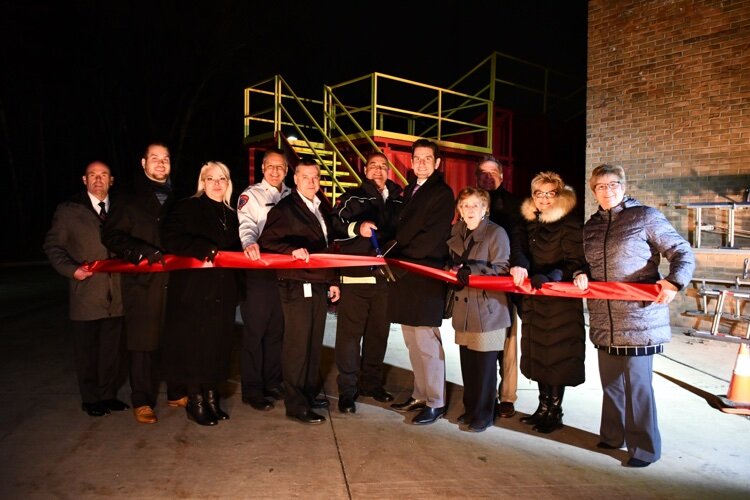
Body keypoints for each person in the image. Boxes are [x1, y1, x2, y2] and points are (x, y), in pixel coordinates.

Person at [573, 164, 695, 467]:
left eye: (613, 184)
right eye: (600, 186)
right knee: (611, 383)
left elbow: (681, 251)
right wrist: (579, 273)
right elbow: (582, 262)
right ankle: (613, 436)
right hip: (604, 318)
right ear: (593, 191)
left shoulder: (645, 217)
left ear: (623, 186)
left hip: (639, 318)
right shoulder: (591, 226)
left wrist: (674, 281)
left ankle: (644, 448)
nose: (607, 190)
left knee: (638, 387)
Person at [101, 142, 180, 424]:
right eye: (155, 159)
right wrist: (141, 252)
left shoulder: (177, 197)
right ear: (143, 163)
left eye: (166, 159)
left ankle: (176, 391)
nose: (161, 164)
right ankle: (142, 400)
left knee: (173, 340)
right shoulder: (127, 198)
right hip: (143, 282)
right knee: (142, 344)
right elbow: (112, 236)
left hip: (175, 282)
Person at [258, 158, 341, 425]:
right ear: (295, 179)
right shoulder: (286, 208)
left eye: (316, 177)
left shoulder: (320, 208)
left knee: (314, 342)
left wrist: (333, 281)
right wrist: (290, 251)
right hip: (295, 284)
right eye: (306, 177)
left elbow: (327, 250)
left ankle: (307, 392)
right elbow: (267, 241)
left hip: (318, 283)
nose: (311, 182)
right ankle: (295, 403)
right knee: (297, 345)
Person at [43, 161, 128, 417]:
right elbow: (52, 246)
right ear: (84, 180)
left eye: (103, 175)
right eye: (93, 175)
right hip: (87, 293)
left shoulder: (121, 209)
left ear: (111, 180)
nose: (98, 179)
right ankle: (91, 398)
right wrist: (72, 270)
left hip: (118, 294)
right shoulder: (69, 210)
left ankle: (108, 394)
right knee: (87, 351)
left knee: (112, 351)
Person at [160, 161, 241, 426]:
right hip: (194, 291)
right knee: (196, 347)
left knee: (218, 346)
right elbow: (170, 238)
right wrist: (201, 247)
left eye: (222, 178)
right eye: (211, 178)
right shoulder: (188, 206)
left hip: (223, 291)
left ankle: (211, 396)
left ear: (228, 183)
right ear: (202, 182)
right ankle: (195, 400)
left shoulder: (231, 213)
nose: (217, 183)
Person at [509, 171, 586, 434]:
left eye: (550, 193)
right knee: (539, 353)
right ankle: (542, 407)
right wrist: (520, 265)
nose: (543, 199)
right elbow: (518, 247)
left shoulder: (569, 223)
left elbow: (575, 261)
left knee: (558, 356)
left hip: (559, 301)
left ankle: (555, 410)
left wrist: (553, 276)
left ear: (559, 195)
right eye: (538, 193)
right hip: (535, 298)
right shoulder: (529, 220)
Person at [388, 138, 455, 425]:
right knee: (411, 340)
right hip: (407, 274)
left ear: (437, 163)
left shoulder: (442, 193)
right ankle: (420, 393)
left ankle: (436, 402)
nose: (422, 163)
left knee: (427, 342)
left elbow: (434, 236)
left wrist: (400, 257)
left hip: (424, 274)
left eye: (428, 158)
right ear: (412, 161)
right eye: (418, 158)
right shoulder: (410, 189)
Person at [331, 151, 403, 413]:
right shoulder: (353, 197)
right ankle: (347, 393)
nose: (378, 170)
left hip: (385, 282)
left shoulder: (398, 201)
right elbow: (334, 225)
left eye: (383, 167)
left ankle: (371, 385)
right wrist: (357, 228)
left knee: (378, 336)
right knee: (350, 338)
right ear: (365, 171)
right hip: (355, 279)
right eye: (373, 166)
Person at [447, 187, 512, 432]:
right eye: (465, 206)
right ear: (460, 211)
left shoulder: (497, 233)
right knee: (469, 365)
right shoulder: (457, 230)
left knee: (485, 369)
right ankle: (471, 408)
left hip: (489, 310)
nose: (470, 210)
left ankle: (484, 414)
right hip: (464, 310)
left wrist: (471, 270)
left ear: (485, 208)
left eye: (475, 205)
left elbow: (502, 268)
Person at [237, 148, 291, 411]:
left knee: (276, 332)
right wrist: (249, 243)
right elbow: (246, 224)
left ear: (287, 170)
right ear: (262, 169)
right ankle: (252, 388)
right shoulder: (251, 195)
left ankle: (272, 382)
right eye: (270, 166)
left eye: (280, 167)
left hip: (284, 275)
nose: (275, 171)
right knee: (255, 333)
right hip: (259, 272)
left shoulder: (292, 195)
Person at [476, 155, 523, 419]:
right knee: (482, 342)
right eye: (483, 173)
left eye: (493, 173)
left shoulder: (514, 204)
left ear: (502, 177)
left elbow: (518, 241)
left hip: (504, 283)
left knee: (508, 342)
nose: (488, 177)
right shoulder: (471, 202)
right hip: (478, 283)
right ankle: (484, 393)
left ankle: (507, 396)